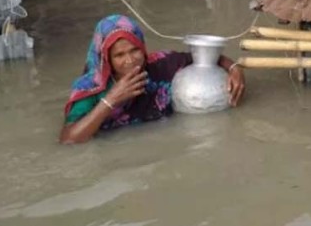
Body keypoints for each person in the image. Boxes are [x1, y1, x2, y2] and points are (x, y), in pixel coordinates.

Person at [59, 15, 245, 144]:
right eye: (119, 55)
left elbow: (204, 57)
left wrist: (234, 68)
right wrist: (111, 100)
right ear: (105, 58)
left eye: (135, 50)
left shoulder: (159, 65)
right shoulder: (90, 88)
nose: (130, 60)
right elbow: (69, 139)